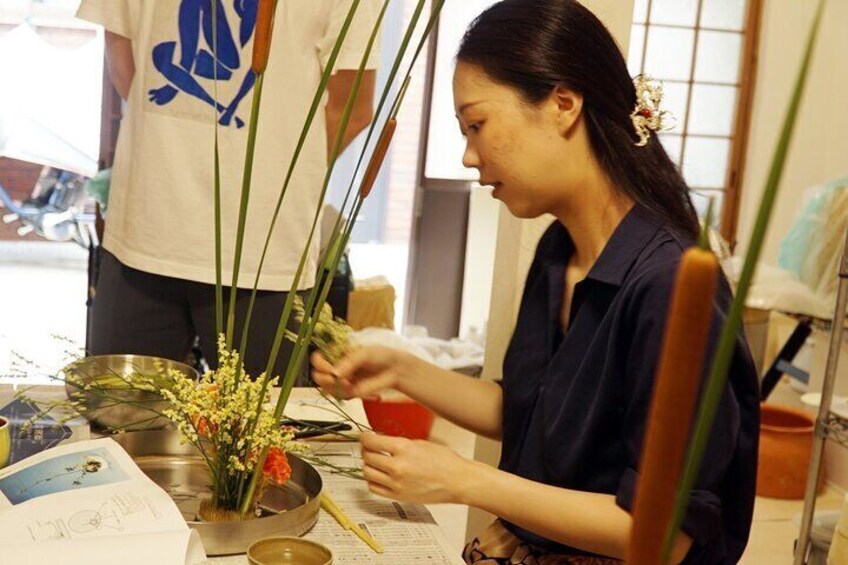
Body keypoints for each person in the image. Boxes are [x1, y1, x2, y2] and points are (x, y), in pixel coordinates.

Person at [311, 1, 759, 563]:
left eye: (477, 125)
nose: (470, 156)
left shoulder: (669, 286)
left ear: (563, 104)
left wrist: (464, 480)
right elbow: (527, 412)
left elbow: (666, 532)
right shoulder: (559, 250)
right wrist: (400, 368)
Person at [76, 0, 381, 381]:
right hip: (144, 234)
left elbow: (353, 108)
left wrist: (275, 176)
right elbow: (122, 56)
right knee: (120, 418)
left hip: (263, 254)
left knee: (261, 431)